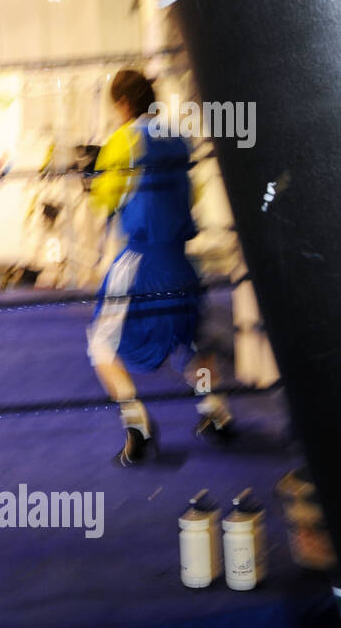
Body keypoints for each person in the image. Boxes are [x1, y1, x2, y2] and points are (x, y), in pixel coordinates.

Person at [87, 69, 233, 466]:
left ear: (121, 104)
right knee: (188, 340)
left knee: (101, 344)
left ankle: (138, 426)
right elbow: (194, 194)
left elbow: (103, 200)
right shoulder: (179, 137)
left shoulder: (124, 139)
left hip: (140, 262)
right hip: (182, 262)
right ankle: (216, 413)